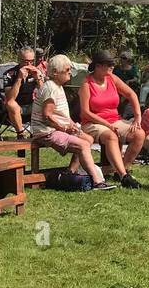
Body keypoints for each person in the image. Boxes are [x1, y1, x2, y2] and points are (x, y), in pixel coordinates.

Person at [30, 54, 113, 189]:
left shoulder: (57, 86)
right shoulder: (50, 88)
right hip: (46, 132)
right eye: (67, 70)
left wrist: (72, 125)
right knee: (83, 145)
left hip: (57, 128)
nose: (70, 72)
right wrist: (64, 128)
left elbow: (60, 114)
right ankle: (98, 181)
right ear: (56, 73)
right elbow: (47, 116)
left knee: (88, 139)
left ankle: (70, 172)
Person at [78, 49, 145, 187]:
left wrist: (138, 117)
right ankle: (124, 176)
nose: (112, 67)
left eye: (112, 64)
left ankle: (122, 169)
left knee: (139, 134)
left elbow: (131, 94)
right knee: (110, 136)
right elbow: (85, 112)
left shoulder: (112, 78)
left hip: (114, 119)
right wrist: (106, 125)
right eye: (109, 64)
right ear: (98, 66)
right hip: (92, 122)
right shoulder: (86, 84)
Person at [2, 46, 44, 138]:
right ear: (19, 60)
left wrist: (39, 79)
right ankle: (21, 134)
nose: (29, 64)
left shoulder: (36, 71)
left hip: (31, 105)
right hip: (15, 106)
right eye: (26, 61)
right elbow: (10, 98)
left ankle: (40, 133)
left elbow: (44, 94)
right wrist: (19, 78)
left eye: (32, 61)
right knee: (11, 104)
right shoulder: (9, 74)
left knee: (46, 102)